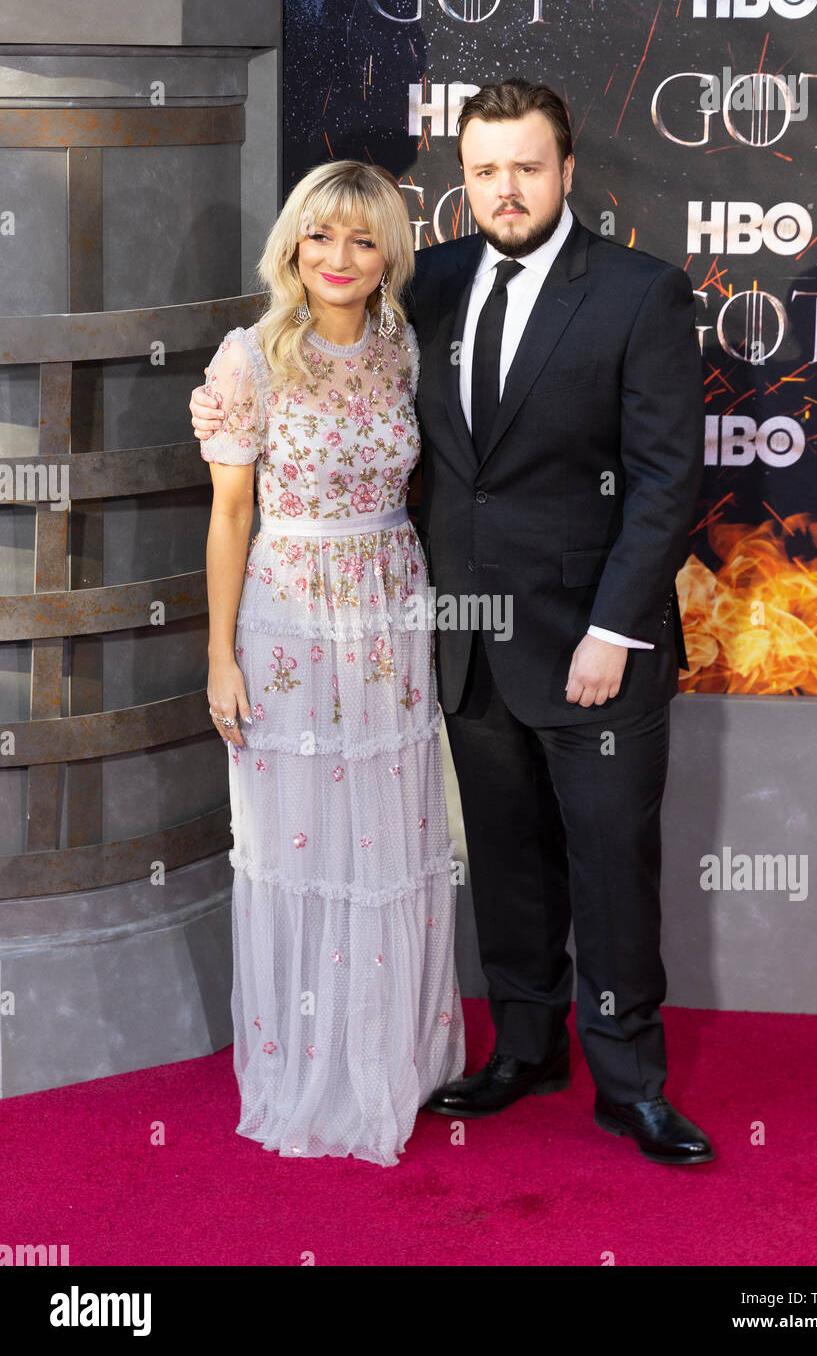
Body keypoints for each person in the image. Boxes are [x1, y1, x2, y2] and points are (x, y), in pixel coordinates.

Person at [194, 79, 713, 1165]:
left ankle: (628, 1079)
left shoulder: (637, 293)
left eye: (526, 167)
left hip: (592, 643)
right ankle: (524, 1045)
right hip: (455, 640)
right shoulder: (418, 286)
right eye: (484, 170)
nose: (506, 189)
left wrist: (613, 631)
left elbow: (666, 481)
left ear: (566, 171)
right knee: (508, 863)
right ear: (461, 182)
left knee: (611, 862)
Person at [198, 159, 464, 1168]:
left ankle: (392, 1054)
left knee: (391, 842)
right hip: (288, 620)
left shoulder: (406, 350)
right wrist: (218, 654)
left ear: (388, 252)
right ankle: (307, 1062)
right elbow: (229, 515)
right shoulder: (248, 358)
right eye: (319, 237)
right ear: (293, 247)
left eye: (361, 239)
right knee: (297, 843)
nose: (338, 259)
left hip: (390, 612)